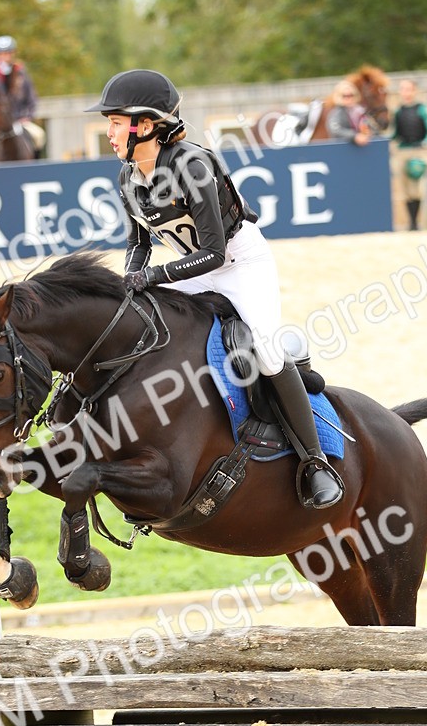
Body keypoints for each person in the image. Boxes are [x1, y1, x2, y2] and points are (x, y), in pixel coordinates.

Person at [86, 68, 344, 510]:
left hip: (239, 263)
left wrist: (151, 277)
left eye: (115, 121)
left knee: (262, 350)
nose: (108, 132)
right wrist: (129, 283)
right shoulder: (128, 175)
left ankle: (315, 462)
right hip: (191, 268)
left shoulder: (193, 165)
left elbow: (214, 253)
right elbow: (139, 241)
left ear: (146, 125)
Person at [391, 78, 427, 230]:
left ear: (414, 91)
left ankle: (416, 222)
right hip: (403, 151)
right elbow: (395, 133)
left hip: (418, 152)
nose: (406, 92)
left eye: (409, 89)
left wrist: (426, 143)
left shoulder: (422, 109)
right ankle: (411, 223)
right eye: (403, 89)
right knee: (405, 190)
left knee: (417, 189)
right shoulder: (398, 111)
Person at [326, 80, 370, 145]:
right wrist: (355, 136)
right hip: (342, 149)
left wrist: (368, 133)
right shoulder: (336, 113)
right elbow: (335, 130)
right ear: (339, 97)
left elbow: (371, 127)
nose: (349, 98)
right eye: (345, 96)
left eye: (351, 95)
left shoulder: (361, 111)